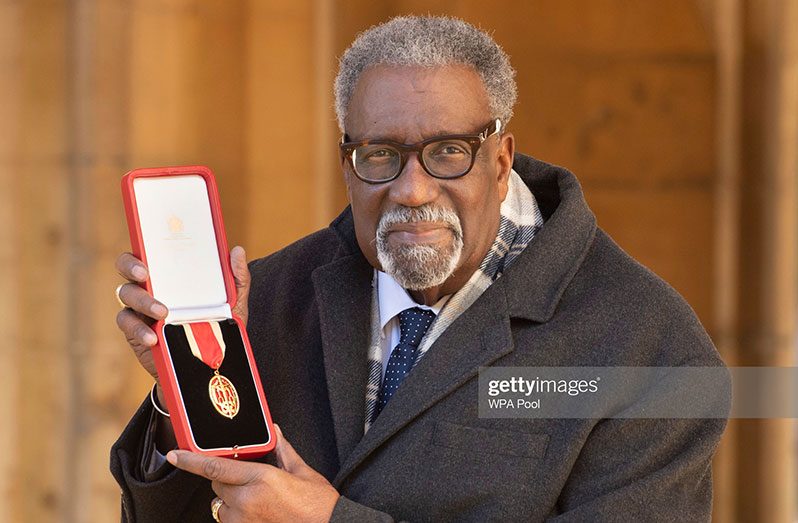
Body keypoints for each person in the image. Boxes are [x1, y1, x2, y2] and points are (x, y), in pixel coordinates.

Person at [111, 15, 727, 522]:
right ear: (347, 165)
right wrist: (182, 386)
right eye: (380, 154)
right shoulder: (268, 300)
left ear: (501, 158)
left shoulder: (652, 349)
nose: (412, 189)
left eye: (448, 152)